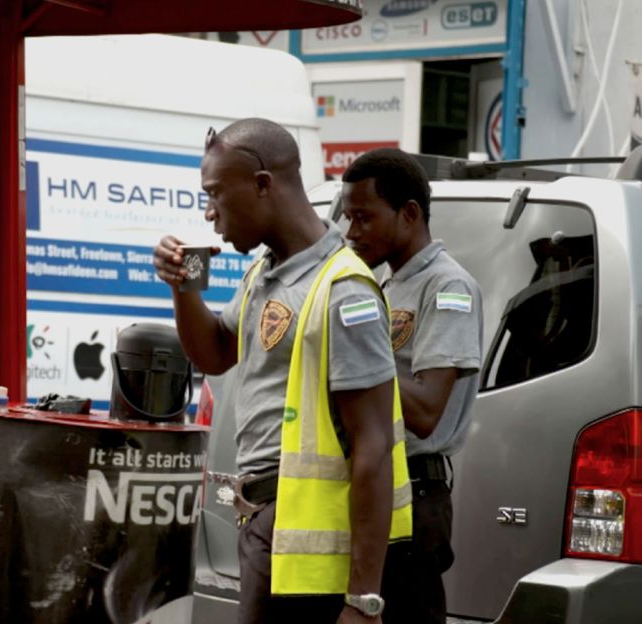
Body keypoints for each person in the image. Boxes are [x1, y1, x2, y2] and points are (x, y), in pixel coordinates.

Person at [153, 119, 412, 623]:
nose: (209, 214)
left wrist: (363, 598)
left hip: (311, 553)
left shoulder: (345, 290)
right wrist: (183, 287)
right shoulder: (262, 273)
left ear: (263, 184)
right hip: (266, 528)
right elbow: (215, 354)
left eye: (215, 195)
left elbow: (374, 448)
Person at [341, 148, 484, 624]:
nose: (351, 233)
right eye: (347, 219)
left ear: (409, 214)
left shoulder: (448, 288)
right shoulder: (383, 283)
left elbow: (425, 412)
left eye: (363, 218)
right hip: (379, 485)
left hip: (415, 495)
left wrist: (354, 358)